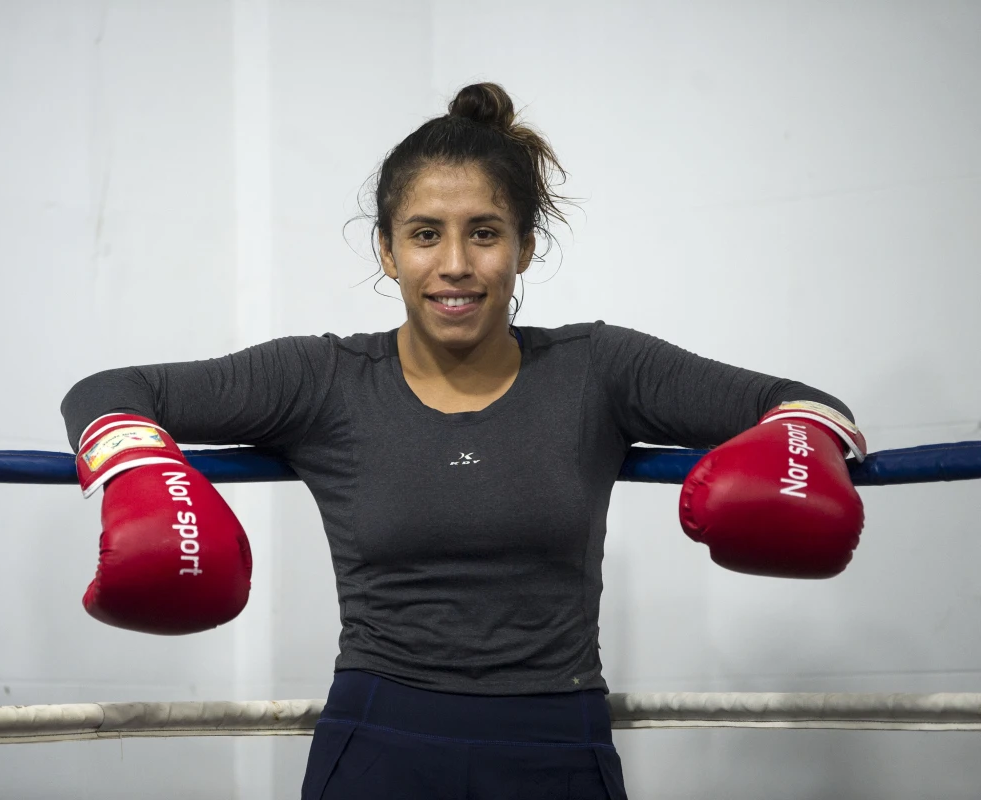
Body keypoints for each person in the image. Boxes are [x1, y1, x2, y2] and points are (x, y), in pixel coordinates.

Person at [60, 83, 865, 799]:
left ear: (524, 246)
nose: (454, 265)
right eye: (423, 234)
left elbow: (801, 406)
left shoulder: (600, 369)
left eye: (484, 233)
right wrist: (138, 469)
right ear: (386, 248)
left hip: (557, 739)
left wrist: (801, 447)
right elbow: (112, 392)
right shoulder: (324, 378)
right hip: (379, 738)